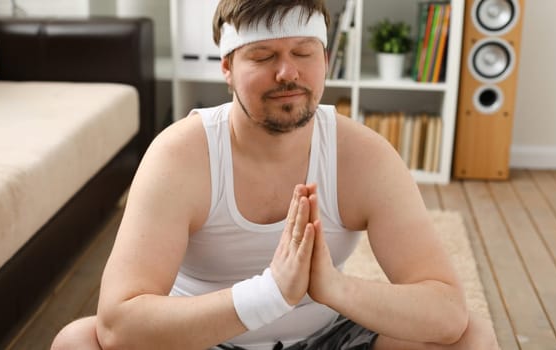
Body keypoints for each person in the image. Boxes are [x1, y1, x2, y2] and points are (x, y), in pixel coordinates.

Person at [51, 0, 498, 349]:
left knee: (470, 338)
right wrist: (270, 293)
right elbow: (117, 325)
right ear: (227, 67)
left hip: (330, 339)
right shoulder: (179, 154)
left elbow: (448, 311)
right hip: (204, 341)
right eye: (263, 56)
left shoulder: (363, 155)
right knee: (77, 342)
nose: (288, 72)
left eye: (303, 52)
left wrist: (335, 288)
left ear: (325, 58)